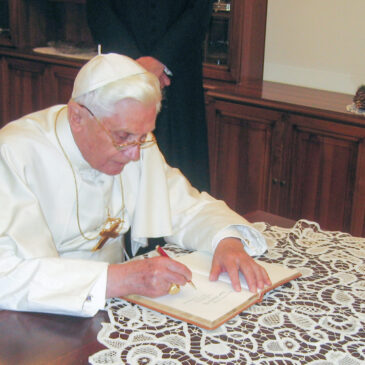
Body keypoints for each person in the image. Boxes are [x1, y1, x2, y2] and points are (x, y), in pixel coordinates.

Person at [0, 53, 270, 317]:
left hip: (114, 307)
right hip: (37, 317)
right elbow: (7, 277)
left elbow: (185, 206)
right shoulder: (14, 154)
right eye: (123, 137)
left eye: (143, 137)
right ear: (77, 117)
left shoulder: (135, 141)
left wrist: (227, 242)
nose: (135, 155)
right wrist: (119, 279)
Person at [86, 0, 213, 192]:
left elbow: (199, 10)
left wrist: (161, 59)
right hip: (120, 72)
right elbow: (99, 9)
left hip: (179, 74)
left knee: (182, 175)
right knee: (120, 163)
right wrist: (136, 67)